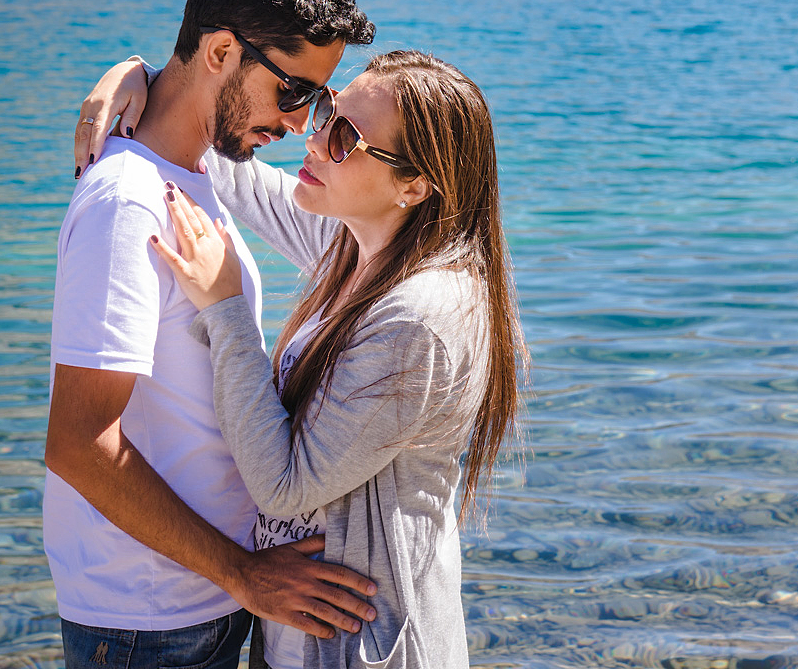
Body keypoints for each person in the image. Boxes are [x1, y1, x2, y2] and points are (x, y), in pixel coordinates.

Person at [80, 49, 527, 668]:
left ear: (414, 184)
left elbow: (285, 486)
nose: (311, 140)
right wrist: (146, 77)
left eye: (344, 136)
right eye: (326, 113)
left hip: (369, 647)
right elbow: (224, 157)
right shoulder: (359, 241)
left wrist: (226, 308)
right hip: (305, 640)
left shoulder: (420, 321)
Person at [45, 0, 379, 669]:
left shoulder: (204, 172)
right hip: (147, 622)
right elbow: (76, 443)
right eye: (292, 92)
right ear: (222, 52)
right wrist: (245, 574)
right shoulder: (126, 202)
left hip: (206, 601)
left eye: (315, 99)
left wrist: (133, 67)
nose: (299, 124)